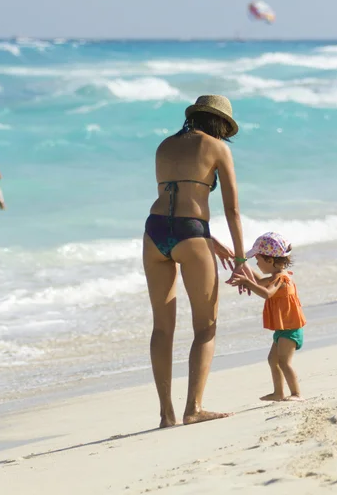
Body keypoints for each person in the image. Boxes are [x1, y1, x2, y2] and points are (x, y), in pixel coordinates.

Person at [143, 94, 255, 428]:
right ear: (220, 123)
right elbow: (232, 210)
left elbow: (174, 199)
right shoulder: (217, 148)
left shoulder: (164, 145)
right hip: (191, 234)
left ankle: (166, 414)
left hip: (154, 233)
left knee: (162, 327)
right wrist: (239, 258)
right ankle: (193, 408)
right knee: (206, 327)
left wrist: (208, 239)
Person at [228, 232, 306, 402]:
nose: (257, 263)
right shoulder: (274, 277)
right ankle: (278, 393)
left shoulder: (282, 279)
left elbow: (267, 293)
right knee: (273, 360)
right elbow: (258, 282)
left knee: (284, 362)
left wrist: (247, 282)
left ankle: (296, 394)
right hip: (283, 329)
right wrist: (243, 267)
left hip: (290, 329)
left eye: (258, 260)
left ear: (270, 260)